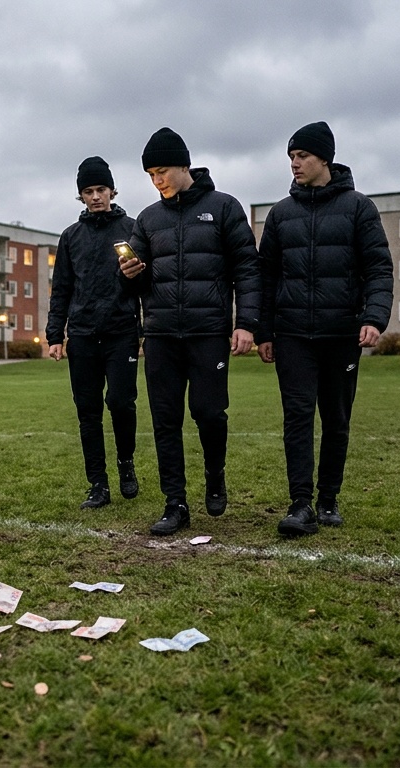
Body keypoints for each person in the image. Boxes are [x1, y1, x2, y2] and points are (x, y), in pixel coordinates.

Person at [255, 121, 394, 537]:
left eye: (303, 157)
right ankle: (301, 505)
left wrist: (373, 317)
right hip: (293, 334)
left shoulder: (359, 208)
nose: (295, 164)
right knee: (297, 417)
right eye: (291, 158)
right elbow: (266, 277)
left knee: (335, 419)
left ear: (325, 160)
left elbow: (378, 268)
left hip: (341, 334)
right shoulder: (281, 214)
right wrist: (264, 330)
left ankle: (329, 499)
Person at [119, 127, 259, 536]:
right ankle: (175, 503)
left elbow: (247, 270)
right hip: (160, 334)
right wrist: (129, 274)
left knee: (209, 413)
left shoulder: (224, 207)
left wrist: (246, 322)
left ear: (184, 165)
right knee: (165, 420)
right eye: (150, 175)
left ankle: (215, 475)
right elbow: (135, 284)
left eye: (162, 170)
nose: (157, 180)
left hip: (208, 332)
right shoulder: (147, 218)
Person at [46, 156, 142, 510]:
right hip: (83, 336)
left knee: (120, 402)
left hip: (121, 332)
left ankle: (126, 464)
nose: (96, 196)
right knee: (87, 411)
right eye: (88, 191)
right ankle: (97, 484)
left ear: (112, 190)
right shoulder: (70, 237)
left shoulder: (133, 228)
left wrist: (145, 328)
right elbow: (62, 289)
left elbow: (146, 283)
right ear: (81, 197)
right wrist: (55, 335)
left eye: (101, 189)